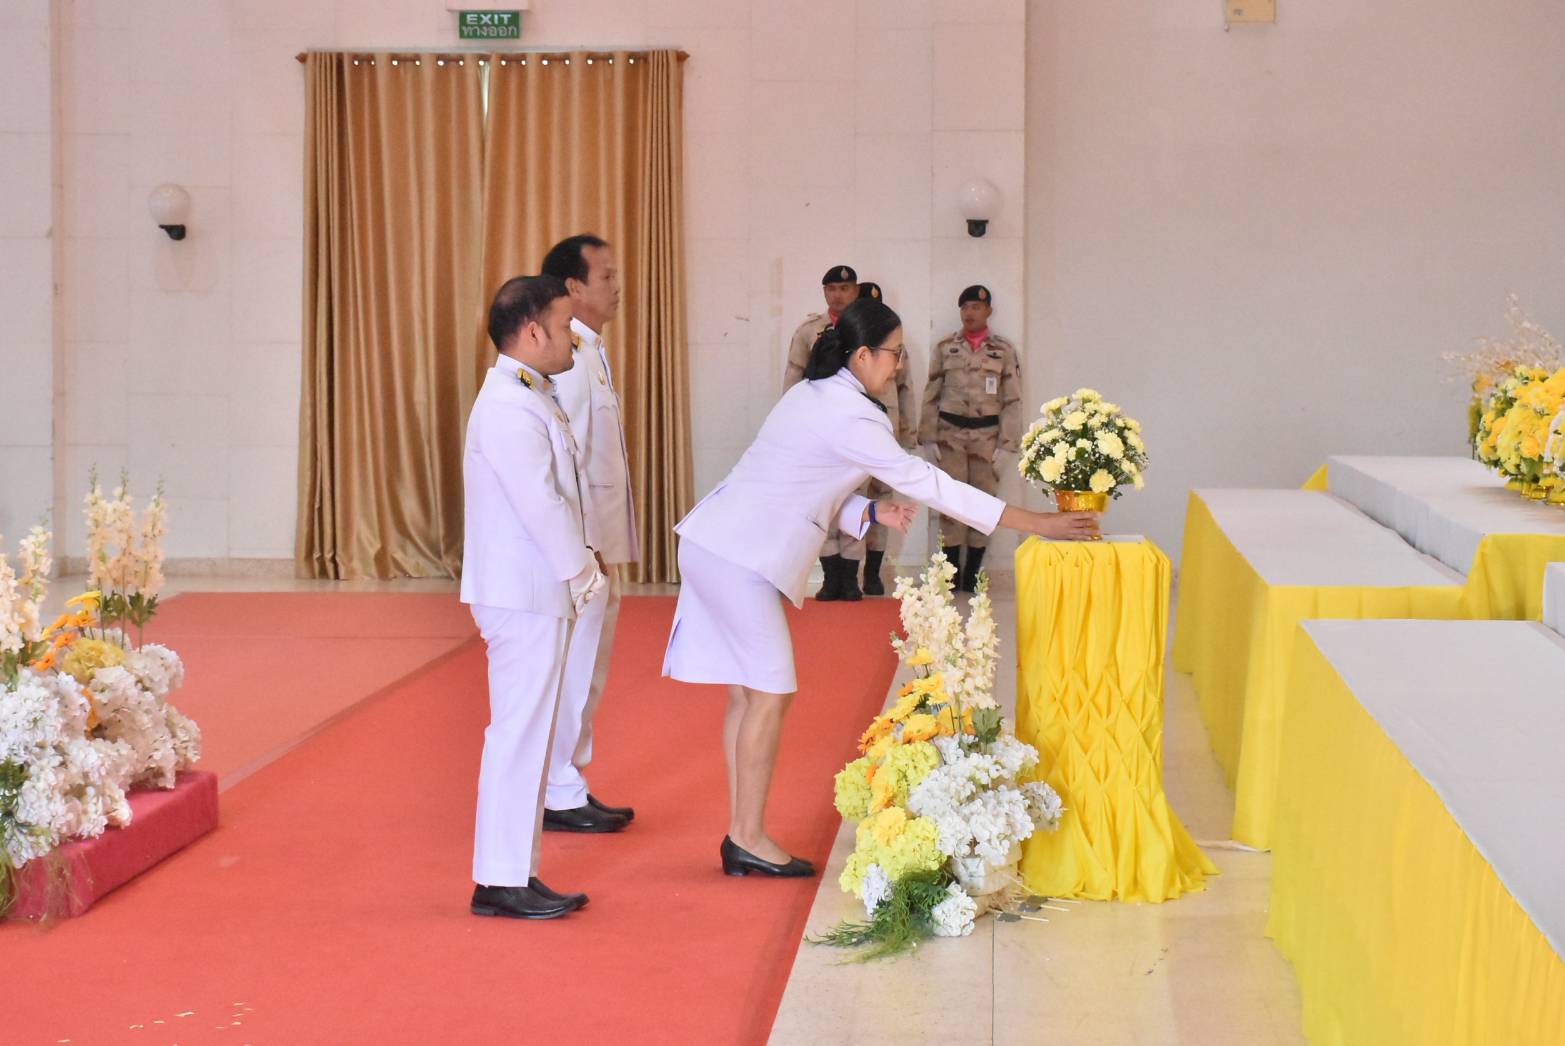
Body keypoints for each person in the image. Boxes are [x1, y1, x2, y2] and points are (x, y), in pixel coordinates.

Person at [663, 299, 1099, 877]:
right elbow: (931, 483)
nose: (899, 365)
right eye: (895, 353)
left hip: (717, 542)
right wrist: (1036, 522)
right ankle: (746, 837)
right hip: (737, 555)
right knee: (768, 692)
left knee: (751, 694)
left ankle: (743, 834)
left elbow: (802, 478)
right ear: (863, 354)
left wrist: (870, 512)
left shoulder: (814, 394)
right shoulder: (852, 415)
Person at [461, 274, 605, 920]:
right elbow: (539, 502)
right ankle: (498, 878)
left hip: (532, 588)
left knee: (528, 733)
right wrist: (581, 571)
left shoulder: (528, 394)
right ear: (531, 331)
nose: (573, 336)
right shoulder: (507, 405)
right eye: (564, 324)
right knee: (517, 734)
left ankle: (515, 870)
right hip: (521, 591)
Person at [539, 234, 638, 834]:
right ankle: (557, 787)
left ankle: (569, 778)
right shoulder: (568, 357)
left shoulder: (590, 349)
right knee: (574, 666)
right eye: (605, 276)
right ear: (573, 287)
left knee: (589, 665)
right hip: (580, 547)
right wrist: (583, 546)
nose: (616, 286)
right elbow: (563, 460)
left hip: (593, 540)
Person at [918, 285, 1023, 592]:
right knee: (950, 503)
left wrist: (1008, 444)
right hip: (949, 436)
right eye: (964, 307)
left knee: (983, 504)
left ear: (988, 311)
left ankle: (973, 572)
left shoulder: (1003, 350)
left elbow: (1013, 400)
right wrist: (928, 437)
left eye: (976, 307)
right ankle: (950, 572)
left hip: (986, 438)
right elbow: (931, 392)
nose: (969, 313)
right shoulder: (945, 347)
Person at [784, 264, 867, 600]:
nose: (838, 295)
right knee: (823, 502)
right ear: (824, 292)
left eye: (844, 288)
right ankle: (831, 577)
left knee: (856, 500)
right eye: (831, 288)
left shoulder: (868, 328)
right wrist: (792, 425)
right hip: (820, 430)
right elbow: (794, 378)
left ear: (856, 291)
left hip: (857, 429)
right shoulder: (809, 331)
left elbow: (885, 384)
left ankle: (851, 579)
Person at [853, 281, 916, 596]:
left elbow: (906, 390)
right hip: (856, 434)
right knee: (855, 499)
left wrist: (909, 434)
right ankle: (849, 570)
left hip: (887, 433)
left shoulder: (895, 346)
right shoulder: (851, 344)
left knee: (883, 498)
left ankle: (873, 571)